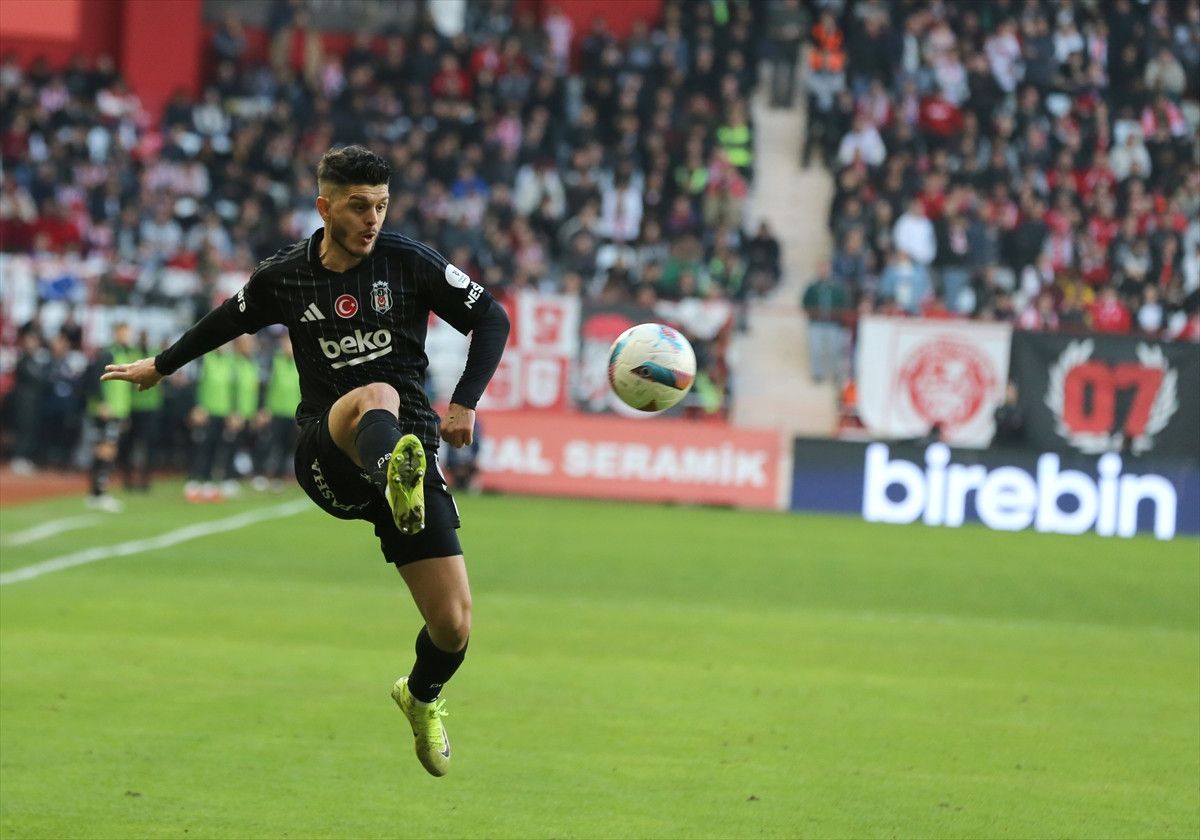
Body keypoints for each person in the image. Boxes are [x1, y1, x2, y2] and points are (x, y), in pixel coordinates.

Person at [101, 145, 510, 778]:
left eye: (381, 205)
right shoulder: (286, 276)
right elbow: (226, 321)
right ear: (324, 207)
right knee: (377, 394)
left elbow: (491, 317)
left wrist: (465, 401)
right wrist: (161, 365)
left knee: (453, 625)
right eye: (358, 206)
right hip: (330, 453)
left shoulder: (408, 261)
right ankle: (392, 474)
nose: (372, 219)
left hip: (412, 452)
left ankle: (419, 694)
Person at [84, 322, 137, 512]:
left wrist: (125, 413)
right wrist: (102, 403)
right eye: (124, 333)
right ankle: (98, 493)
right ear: (116, 334)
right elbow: (94, 377)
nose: (127, 336)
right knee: (105, 450)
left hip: (118, 411)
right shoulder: (108, 354)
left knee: (108, 449)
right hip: (107, 411)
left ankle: (97, 492)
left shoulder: (126, 354)